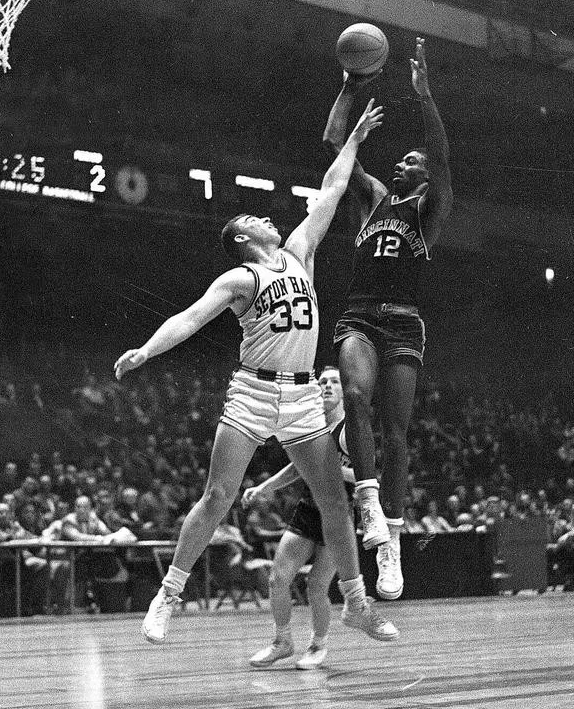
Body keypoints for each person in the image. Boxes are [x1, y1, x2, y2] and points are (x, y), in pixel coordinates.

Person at [115, 100, 399, 646]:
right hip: (252, 392)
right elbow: (190, 316)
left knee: (333, 500)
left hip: (302, 398)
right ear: (244, 239)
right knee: (218, 495)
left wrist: (355, 141)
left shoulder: (299, 252)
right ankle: (167, 595)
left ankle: (357, 604)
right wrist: (147, 351)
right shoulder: (240, 277)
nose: (268, 219)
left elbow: (334, 188)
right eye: (254, 220)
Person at [323, 36, 452, 600]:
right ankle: (370, 501)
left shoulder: (430, 209)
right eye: (400, 159)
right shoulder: (374, 198)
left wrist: (425, 98)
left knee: (398, 431)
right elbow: (334, 146)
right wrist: (350, 89)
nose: (401, 162)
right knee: (355, 394)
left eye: (410, 160)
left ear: (423, 176)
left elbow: (443, 157)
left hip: (404, 322)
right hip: (358, 317)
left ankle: (391, 543)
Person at [241, 365, 354, 669]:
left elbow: (367, 476)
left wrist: (328, 468)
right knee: (278, 579)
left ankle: (318, 645)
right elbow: (297, 467)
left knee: (316, 585)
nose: (327, 386)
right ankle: (282, 642)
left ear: (344, 390)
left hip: (339, 515)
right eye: (322, 382)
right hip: (307, 509)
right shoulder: (312, 427)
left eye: (334, 382)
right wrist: (264, 487)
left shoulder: (352, 430)